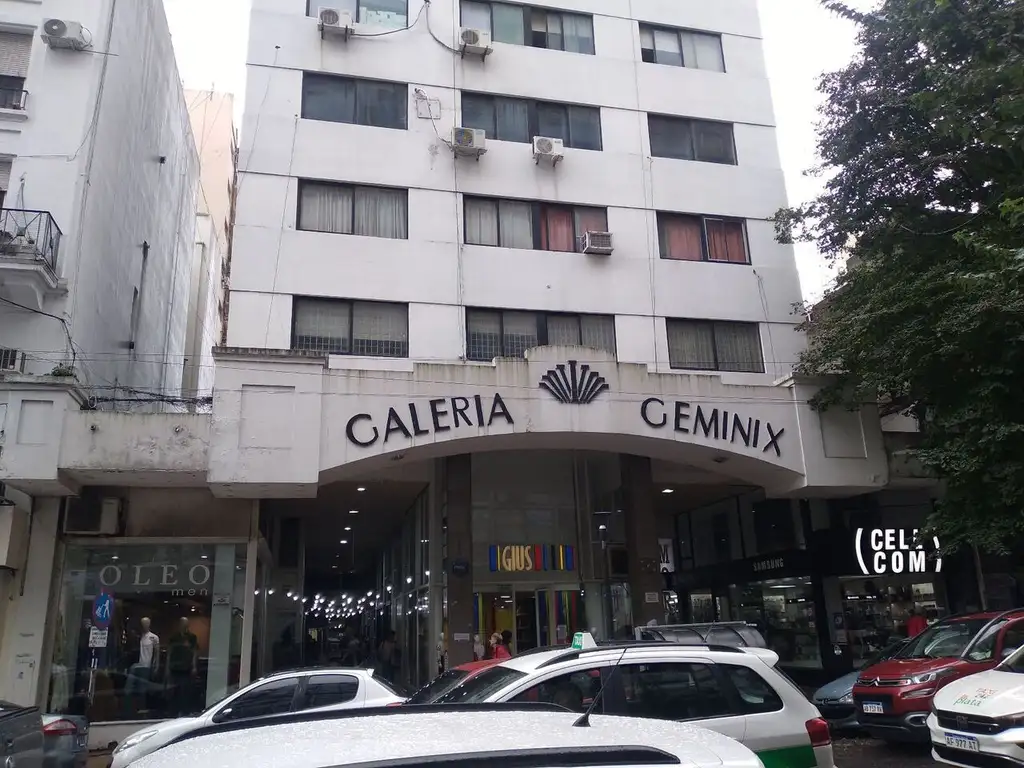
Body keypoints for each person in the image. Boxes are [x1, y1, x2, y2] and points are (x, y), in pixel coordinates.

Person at [165, 617, 199, 716]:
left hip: (186, 668)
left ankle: (184, 711)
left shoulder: (192, 637)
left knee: (185, 690)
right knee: (174, 690)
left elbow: (195, 652)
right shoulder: (174, 637)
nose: (185, 626)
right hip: (175, 667)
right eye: (183, 624)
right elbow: (169, 652)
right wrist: (167, 667)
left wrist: (194, 666)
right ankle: (173, 711)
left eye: (186, 624)